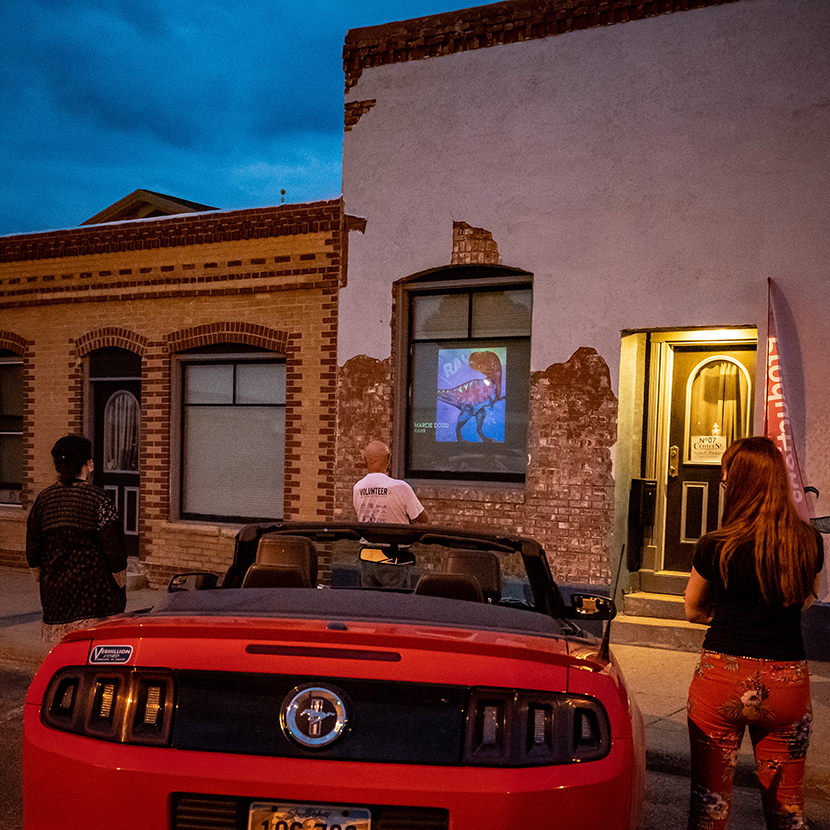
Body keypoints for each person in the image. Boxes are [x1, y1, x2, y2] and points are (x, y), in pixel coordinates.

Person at [684, 436, 823, 830]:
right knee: (788, 812)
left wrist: (726, 612)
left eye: (726, 480)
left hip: (721, 680)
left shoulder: (716, 546)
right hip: (787, 683)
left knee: (709, 808)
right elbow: (807, 599)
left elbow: (693, 609)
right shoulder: (808, 541)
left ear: (739, 485)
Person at [27, 434, 128, 644]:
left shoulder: (43, 500)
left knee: (67, 652)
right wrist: (120, 584)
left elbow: (33, 551)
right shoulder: (99, 499)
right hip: (95, 594)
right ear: (87, 464)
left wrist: (45, 576)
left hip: (56, 595)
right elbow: (114, 551)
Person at [353, 440, 428, 588]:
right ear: (388, 460)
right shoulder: (401, 488)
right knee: (395, 606)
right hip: (394, 558)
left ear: (365, 460)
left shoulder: (358, 488)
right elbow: (423, 519)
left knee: (368, 607)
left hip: (367, 557)